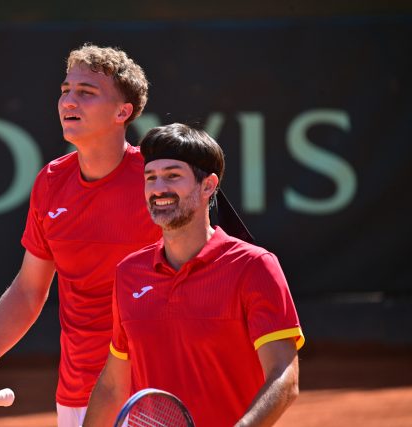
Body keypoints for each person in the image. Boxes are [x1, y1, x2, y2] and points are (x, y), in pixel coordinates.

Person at [0, 44, 161, 427]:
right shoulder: (51, 183)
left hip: (151, 392)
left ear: (123, 112)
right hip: (76, 393)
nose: (69, 100)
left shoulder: (157, 182)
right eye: (65, 90)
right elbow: (27, 291)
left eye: (86, 92)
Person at [83, 123, 305, 427]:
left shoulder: (254, 267)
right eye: (150, 177)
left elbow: (284, 377)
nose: (158, 188)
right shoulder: (129, 273)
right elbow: (112, 385)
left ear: (208, 185)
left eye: (173, 176)